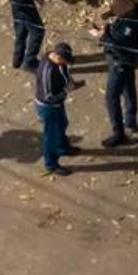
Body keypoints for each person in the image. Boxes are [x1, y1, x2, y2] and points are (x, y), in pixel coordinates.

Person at [89, 0, 138, 146]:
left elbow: (120, 44)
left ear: (126, 5)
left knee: (111, 97)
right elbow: (117, 28)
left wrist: (103, 36)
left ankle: (119, 133)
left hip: (121, 62)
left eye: (115, 8)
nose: (112, 11)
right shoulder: (133, 13)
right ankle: (131, 121)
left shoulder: (131, 24)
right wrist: (107, 27)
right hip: (125, 61)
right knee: (128, 88)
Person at [34, 41, 79, 177]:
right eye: (65, 61)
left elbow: (64, 73)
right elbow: (48, 97)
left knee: (62, 124)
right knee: (51, 135)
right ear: (58, 57)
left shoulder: (56, 61)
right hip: (48, 107)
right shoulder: (47, 72)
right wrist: (66, 91)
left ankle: (63, 148)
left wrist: (69, 81)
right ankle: (51, 164)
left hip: (57, 104)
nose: (66, 64)